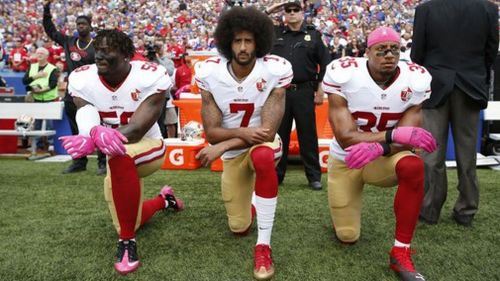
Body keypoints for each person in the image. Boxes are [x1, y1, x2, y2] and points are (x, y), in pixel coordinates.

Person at [59, 29, 184, 275]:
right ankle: (164, 201)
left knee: (119, 156)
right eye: (98, 49)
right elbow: (85, 109)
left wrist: (97, 138)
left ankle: (127, 243)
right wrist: (89, 132)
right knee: (131, 219)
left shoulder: (150, 75)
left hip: (149, 148)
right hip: (115, 152)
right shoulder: (83, 78)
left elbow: (137, 130)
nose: (99, 55)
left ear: (127, 55)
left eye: (108, 50)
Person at [322, 27, 437, 281]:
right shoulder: (346, 73)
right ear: (367, 53)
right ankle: (342, 213)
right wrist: (390, 136)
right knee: (347, 236)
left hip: (383, 159)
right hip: (346, 160)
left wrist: (382, 147)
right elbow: (346, 137)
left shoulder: (414, 79)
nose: (389, 55)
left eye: (394, 49)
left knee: (413, 166)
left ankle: (401, 252)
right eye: (381, 50)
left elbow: (408, 139)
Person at [194, 7, 292, 280]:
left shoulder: (274, 70)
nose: (243, 46)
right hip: (234, 155)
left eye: (249, 40)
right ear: (227, 42)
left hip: (262, 145)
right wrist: (234, 140)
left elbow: (267, 132)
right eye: (237, 40)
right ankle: (252, 204)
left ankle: (264, 245)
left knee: (262, 156)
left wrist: (223, 145)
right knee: (238, 227)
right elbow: (212, 132)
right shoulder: (210, 73)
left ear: (259, 42)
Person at [411, 0, 499, 227]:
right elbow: (491, 51)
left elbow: (416, 53)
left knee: (431, 153)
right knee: (467, 152)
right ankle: (466, 209)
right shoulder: (488, 8)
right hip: (471, 84)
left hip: (435, 84)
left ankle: (430, 209)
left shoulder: (425, 9)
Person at [265, 0, 331, 190]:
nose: (292, 13)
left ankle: (313, 176)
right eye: (288, 11)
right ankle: (277, 175)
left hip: (304, 91)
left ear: (302, 14)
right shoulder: (275, 34)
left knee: (308, 134)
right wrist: (273, 9)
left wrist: (320, 88)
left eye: (296, 10)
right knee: (279, 134)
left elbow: (325, 62)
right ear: (284, 14)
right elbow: (255, 21)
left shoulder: (313, 35)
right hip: (279, 92)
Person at [43, 0, 107, 175]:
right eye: (78, 24)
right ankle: (79, 161)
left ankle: (103, 162)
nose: (80, 26)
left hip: (94, 91)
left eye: (83, 24)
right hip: (73, 91)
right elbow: (51, 31)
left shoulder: (97, 44)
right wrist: (46, 10)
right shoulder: (69, 41)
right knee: (75, 126)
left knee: (98, 125)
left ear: (90, 26)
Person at [22, 47, 60, 152]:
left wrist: (42, 90)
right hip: (35, 99)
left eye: (42, 53)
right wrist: (37, 76)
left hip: (49, 99)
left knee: (49, 123)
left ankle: (51, 144)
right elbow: (25, 81)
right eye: (38, 53)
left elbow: (53, 84)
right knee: (37, 123)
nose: (39, 54)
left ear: (47, 56)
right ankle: (37, 145)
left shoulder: (52, 68)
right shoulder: (32, 67)